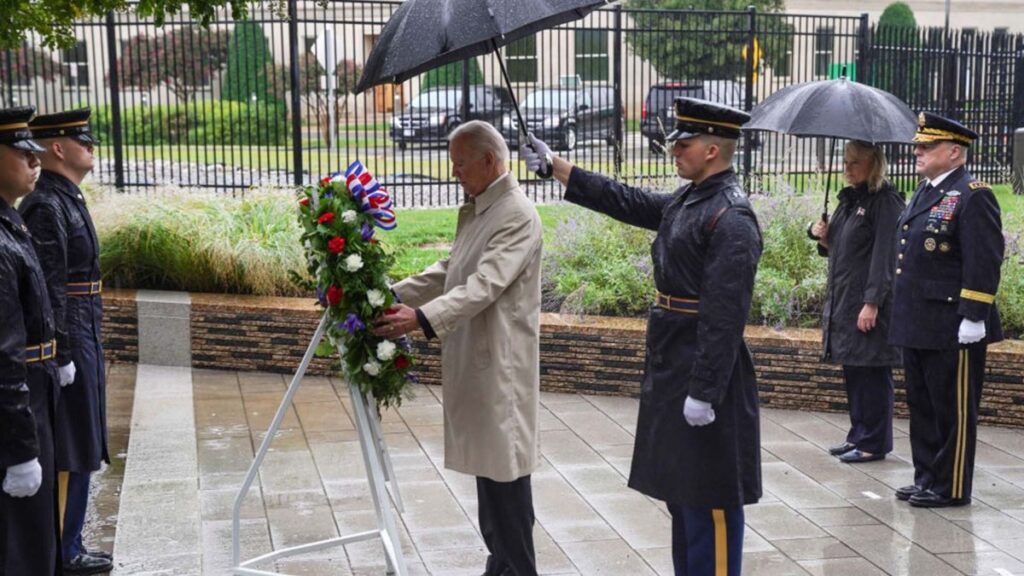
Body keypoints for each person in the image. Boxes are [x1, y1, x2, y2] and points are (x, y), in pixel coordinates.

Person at [522, 98, 762, 576]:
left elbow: (724, 318)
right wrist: (557, 167)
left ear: (712, 150)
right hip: (674, 360)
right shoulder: (691, 199)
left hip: (703, 371)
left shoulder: (731, 217)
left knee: (710, 501)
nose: (674, 150)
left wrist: (704, 391)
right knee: (682, 494)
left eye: (683, 144)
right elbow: (626, 200)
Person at [373, 120, 543, 576]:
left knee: (506, 485)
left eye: (460, 163)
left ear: (489, 161)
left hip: (501, 366)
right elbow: (452, 267)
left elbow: (484, 284)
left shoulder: (515, 213)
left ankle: (514, 569)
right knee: (493, 484)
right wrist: (392, 294)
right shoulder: (484, 207)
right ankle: (500, 566)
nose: (454, 172)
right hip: (480, 359)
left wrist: (420, 318)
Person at [890, 112, 1004, 508]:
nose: (917, 152)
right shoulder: (926, 191)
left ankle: (951, 486)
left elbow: (984, 259)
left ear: (954, 152)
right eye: (918, 145)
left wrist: (974, 314)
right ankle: (927, 477)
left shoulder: (973, 194)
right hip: (918, 320)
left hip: (953, 323)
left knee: (952, 410)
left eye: (928, 146)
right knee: (922, 407)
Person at [18, 108, 112, 574]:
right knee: (71, 441)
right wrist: (63, 351)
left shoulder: (66, 197)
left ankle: (70, 539)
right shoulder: (45, 205)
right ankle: (63, 547)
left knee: (85, 438)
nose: (91, 147)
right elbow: (49, 286)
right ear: (58, 147)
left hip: (84, 324)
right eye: (83, 141)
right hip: (71, 329)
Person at [810, 141, 904, 464]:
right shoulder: (850, 200)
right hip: (847, 297)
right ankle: (858, 434)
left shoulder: (885, 202)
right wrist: (823, 237)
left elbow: (885, 255)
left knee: (872, 369)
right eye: (845, 162)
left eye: (854, 163)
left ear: (873, 164)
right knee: (854, 368)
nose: (847, 169)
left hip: (867, 301)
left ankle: (873, 442)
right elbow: (842, 246)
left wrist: (872, 301)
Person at [0, 105, 61, 576]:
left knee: (37, 534)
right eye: (22, 153)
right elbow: (3, 355)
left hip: (35, 390)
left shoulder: (12, 223)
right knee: (21, 543)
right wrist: (21, 449)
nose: (35, 161)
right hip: (18, 403)